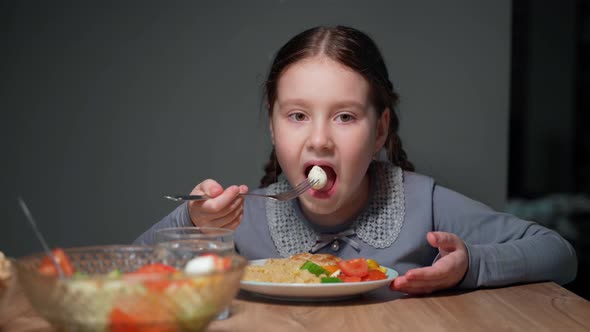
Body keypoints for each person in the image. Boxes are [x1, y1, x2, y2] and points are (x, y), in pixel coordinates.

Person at [135, 25, 577, 294]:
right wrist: (191, 225)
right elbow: (128, 270)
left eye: (345, 116)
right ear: (272, 127)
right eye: (297, 116)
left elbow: (559, 254)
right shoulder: (241, 220)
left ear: (380, 130)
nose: (320, 139)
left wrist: (470, 266)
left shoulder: (425, 205)